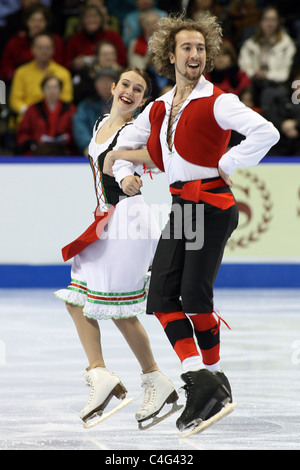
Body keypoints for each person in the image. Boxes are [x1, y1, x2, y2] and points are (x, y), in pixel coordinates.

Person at [103, 12, 280, 434]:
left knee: (194, 296)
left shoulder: (219, 100)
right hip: (183, 208)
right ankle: (206, 380)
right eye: (186, 47)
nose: (194, 54)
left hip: (212, 206)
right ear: (171, 54)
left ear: (208, 55)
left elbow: (267, 132)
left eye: (200, 48)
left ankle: (209, 382)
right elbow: (123, 144)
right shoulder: (160, 107)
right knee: (162, 297)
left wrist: (227, 160)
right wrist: (123, 170)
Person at [55, 67, 180, 429]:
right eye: (125, 84)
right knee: (77, 299)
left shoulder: (131, 132)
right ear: (113, 87)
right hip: (108, 221)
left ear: (142, 100)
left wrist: (128, 177)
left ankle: (155, 378)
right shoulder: (98, 125)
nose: (129, 91)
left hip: (131, 220)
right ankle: (101, 374)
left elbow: (141, 162)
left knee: (120, 309)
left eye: (138, 90)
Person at [238, 6, 296, 108]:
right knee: (244, 93)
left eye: (273, 20)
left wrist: (266, 75)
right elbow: (244, 67)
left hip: (276, 84)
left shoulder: (287, 45)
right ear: (260, 22)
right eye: (266, 19)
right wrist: (254, 73)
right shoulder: (250, 44)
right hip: (253, 82)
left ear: (278, 23)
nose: (270, 24)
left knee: (267, 93)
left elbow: (284, 74)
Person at [9, 32, 73, 123]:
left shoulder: (63, 73)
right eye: (40, 47)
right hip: (27, 120)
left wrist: (50, 111)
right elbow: (15, 100)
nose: (44, 51)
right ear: (32, 49)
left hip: (56, 120)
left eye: (47, 48)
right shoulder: (21, 72)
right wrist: (30, 113)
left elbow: (67, 99)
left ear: (53, 50)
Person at [0, 3, 64, 84]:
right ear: (27, 21)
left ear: (47, 22)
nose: (37, 24)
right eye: (33, 20)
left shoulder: (56, 41)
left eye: (41, 20)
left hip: (49, 83)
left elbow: (60, 65)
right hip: (19, 82)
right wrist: (17, 75)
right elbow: (5, 67)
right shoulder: (16, 42)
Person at [16, 74, 77, 155]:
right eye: (48, 88)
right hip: (37, 153)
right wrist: (31, 143)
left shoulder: (70, 109)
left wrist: (68, 139)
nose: (52, 91)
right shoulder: (32, 109)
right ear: (43, 90)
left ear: (60, 90)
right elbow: (22, 132)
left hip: (64, 153)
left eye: (55, 87)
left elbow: (76, 132)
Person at [63, 4, 127, 73]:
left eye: (95, 16)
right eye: (88, 17)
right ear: (82, 20)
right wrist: (74, 64)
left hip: (110, 73)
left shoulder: (112, 36)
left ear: (101, 19)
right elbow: (66, 63)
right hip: (83, 76)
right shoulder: (74, 39)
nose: (91, 20)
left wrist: (108, 60)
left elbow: (123, 60)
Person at [73, 67, 119, 155]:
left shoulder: (126, 104)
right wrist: (88, 145)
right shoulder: (86, 105)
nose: (105, 85)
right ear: (95, 84)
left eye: (109, 81)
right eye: (101, 82)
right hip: (93, 151)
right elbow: (80, 127)